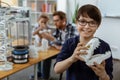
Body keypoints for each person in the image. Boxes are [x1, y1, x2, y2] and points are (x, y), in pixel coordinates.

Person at [54, 4, 113, 80]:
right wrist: (72, 58)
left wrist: (103, 75)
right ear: (76, 22)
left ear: (98, 25)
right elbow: (56, 70)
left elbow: (109, 77)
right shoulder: (69, 43)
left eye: (92, 23)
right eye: (82, 21)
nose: (87, 26)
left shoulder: (104, 47)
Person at [30, 14, 51, 80]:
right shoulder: (36, 27)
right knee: (37, 59)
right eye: (42, 22)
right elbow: (33, 33)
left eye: (45, 22)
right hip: (37, 45)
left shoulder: (47, 28)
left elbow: (48, 37)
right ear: (38, 21)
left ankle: (45, 74)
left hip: (45, 45)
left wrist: (44, 31)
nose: (43, 23)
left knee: (45, 58)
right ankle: (38, 72)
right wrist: (39, 28)